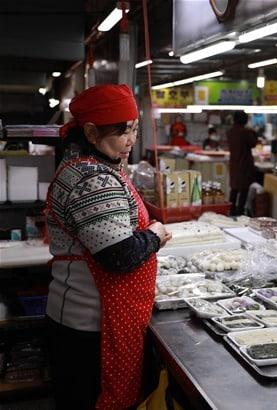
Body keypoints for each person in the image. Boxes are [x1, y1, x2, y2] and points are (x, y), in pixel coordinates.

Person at [46, 84, 172, 409]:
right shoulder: (91, 179)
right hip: (89, 326)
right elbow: (118, 255)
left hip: (91, 320)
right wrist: (155, 235)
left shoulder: (90, 167)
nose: (131, 141)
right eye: (122, 132)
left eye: (133, 129)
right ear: (90, 131)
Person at [227, 111, 257, 216]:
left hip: (234, 163)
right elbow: (253, 143)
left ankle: (231, 210)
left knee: (234, 189)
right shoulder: (245, 132)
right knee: (244, 190)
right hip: (244, 164)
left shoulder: (230, 131)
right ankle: (240, 212)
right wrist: (254, 132)